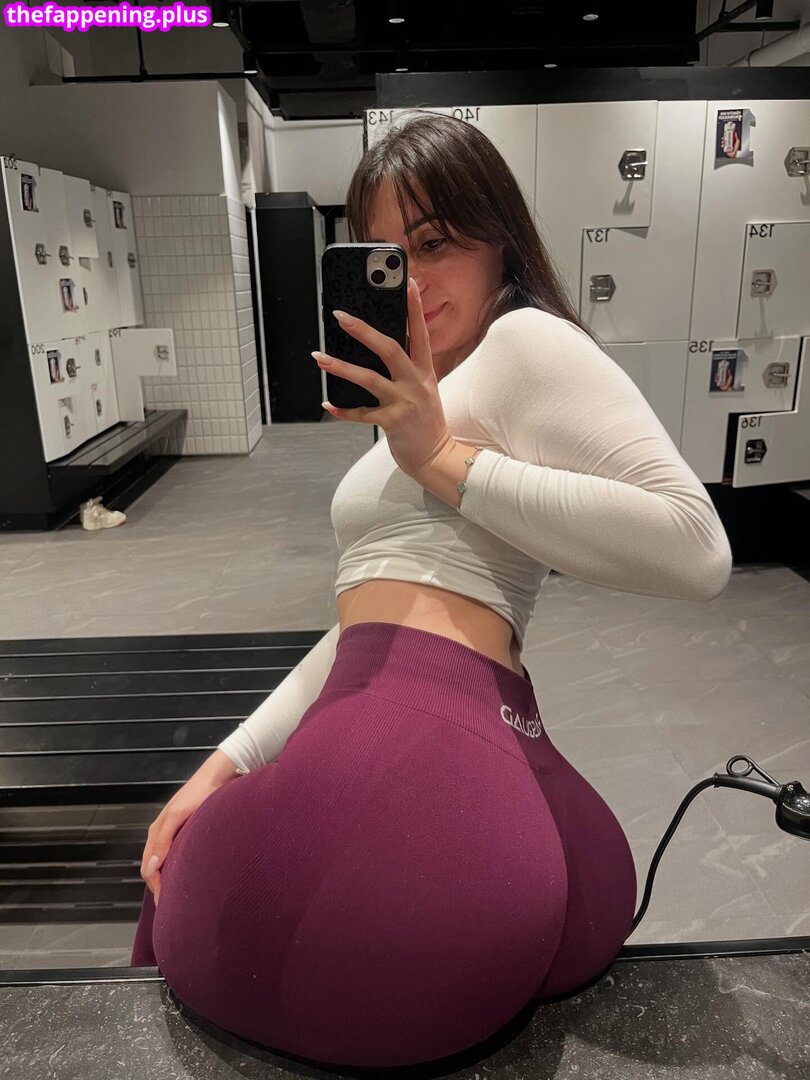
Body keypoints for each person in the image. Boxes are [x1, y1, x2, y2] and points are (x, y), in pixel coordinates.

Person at [130, 110, 733, 1068]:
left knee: (194, 907)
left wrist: (440, 457)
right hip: (477, 731)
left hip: (428, 741)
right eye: (385, 254)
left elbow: (697, 548)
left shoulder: (523, 344)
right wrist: (226, 761)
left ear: (502, 245)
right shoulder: (424, 395)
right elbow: (365, 623)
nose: (410, 280)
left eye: (436, 243)